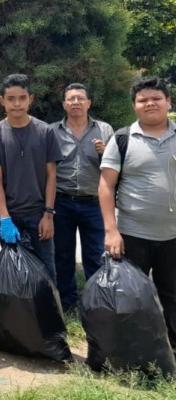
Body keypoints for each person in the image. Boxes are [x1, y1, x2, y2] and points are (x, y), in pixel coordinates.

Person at [99, 76, 176, 345]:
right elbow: (106, 186)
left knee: (172, 296)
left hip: (172, 237)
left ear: (168, 101)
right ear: (134, 105)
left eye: (156, 98)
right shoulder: (122, 139)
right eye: (143, 100)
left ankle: (170, 352)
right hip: (132, 235)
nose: (150, 103)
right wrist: (111, 231)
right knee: (130, 297)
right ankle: (133, 351)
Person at [0, 73, 63, 279]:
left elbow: (52, 176)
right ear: (2, 101)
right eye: (11, 99)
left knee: (46, 269)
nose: (17, 104)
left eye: (22, 98)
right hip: (7, 213)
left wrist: (48, 214)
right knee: (14, 271)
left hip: (38, 212)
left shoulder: (45, 132)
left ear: (31, 99)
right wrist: (5, 218)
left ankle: (49, 310)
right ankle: (19, 312)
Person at [50, 83, 113, 312]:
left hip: (93, 202)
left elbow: (113, 167)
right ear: (64, 104)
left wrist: (105, 153)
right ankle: (67, 304)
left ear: (89, 103)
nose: (75, 102)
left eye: (80, 98)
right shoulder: (52, 131)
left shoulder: (104, 130)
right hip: (61, 201)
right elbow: (46, 169)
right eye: (71, 99)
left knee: (95, 256)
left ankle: (96, 306)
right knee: (63, 255)